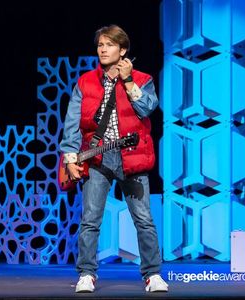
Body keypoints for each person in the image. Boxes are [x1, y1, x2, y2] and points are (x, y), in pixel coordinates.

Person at [60, 25, 168, 293]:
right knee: (90, 219)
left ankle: (152, 274)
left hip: (132, 157)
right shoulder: (85, 82)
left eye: (109, 45)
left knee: (143, 219)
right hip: (97, 159)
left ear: (123, 50)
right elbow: (72, 122)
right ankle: (86, 273)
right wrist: (70, 158)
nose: (103, 49)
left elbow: (147, 108)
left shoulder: (142, 79)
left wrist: (129, 81)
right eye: (100, 45)